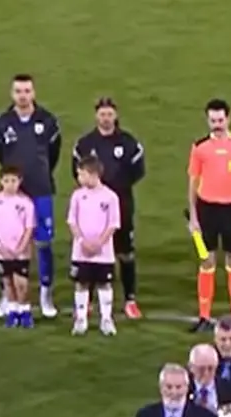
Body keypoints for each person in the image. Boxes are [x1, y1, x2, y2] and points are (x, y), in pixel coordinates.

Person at [0, 74, 61, 319]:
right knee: (8, 243)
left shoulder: (48, 121)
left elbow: (54, 152)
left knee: (42, 243)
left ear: (34, 93)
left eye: (27, 91)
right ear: (12, 94)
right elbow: (1, 154)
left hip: (41, 188)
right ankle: (8, 294)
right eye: (18, 91)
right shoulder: (2, 123)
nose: (23, 95)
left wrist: (39, 171)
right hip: (13, 193)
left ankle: (45, 294)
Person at [71, 97, 146, 319]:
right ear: (96, 116)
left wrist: (116, 189)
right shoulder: (85, 144)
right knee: (91, 253)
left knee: (125, 253)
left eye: (109, 114)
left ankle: (130, 300)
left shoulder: (128, 142)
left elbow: (138, 171)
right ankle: (89, 302)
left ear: (116, 115)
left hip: (121, 204)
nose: (106, 118)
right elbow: (75, 171)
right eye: (102, 114)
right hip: (91, 209)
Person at [186, 98, 231, 333]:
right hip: (207, 211)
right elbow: (193, 183)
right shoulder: (200, 147)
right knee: (206, 261)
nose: (216, 124)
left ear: (228, 119)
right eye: (213, 120)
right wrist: (194, 218)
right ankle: (204, 316)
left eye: (220, 120)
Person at [67, 155, 120, 336]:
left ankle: (106, 319)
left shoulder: (110, 197)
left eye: (81, 174)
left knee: (104, 284)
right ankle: (81, 319)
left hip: (103, 252)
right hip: (81, 252)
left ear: (93, 174)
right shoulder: (77, 196)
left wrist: (99, 243)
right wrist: (82, 242)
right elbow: (72, 222)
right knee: (81, 284)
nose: (79, 178)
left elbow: (113, 224)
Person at [0, 165, 36, 327]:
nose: (10, 184)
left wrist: (21, 247)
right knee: (8, 282)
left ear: (19, 181)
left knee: (21, 283)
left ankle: (24, 311)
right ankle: (13, 311)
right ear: (1, 181)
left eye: (13, 180)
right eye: (6, 180)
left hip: (20, 251)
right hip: (2, 251)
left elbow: (29, 227)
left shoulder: (26, 202)